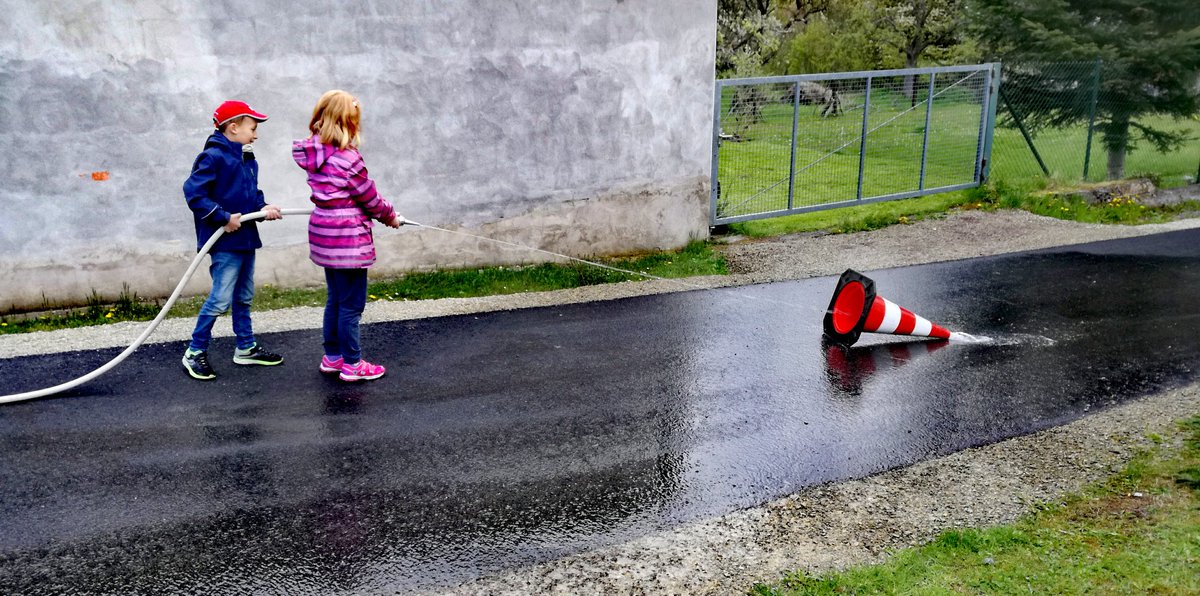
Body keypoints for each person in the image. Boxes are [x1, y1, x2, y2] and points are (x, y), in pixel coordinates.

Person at [293, 90, 404, 383]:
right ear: (349, 122)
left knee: (335, 299)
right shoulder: (348, 159)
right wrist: (390, 216)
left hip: (324, 233)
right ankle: (353, 363)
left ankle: (333, 357)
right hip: (347, 239)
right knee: (352, 305)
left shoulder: (312, 154)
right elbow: (370, 198)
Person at [181, 100, 284, 380]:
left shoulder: (246, 158)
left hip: (246, 238)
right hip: (225, 241)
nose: (256, 134)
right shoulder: (212, 157)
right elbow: (194, 194)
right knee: (220, 299)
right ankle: (194, 351)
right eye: (253, 128)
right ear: (234, 127)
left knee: (244, 296)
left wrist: (263, 209)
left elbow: (251, 194)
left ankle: (246, 348)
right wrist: (222, 217)